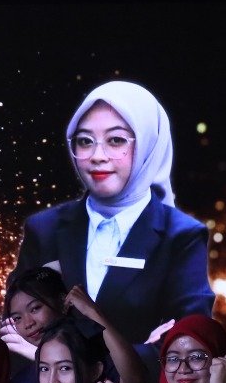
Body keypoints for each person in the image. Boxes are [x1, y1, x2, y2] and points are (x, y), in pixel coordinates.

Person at [12, 80, 213, 350]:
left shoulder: (181, 236)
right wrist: (141, 349)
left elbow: (191, 342)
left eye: (116, 140)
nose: (97, 156)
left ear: (149, 144)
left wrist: (62, 357)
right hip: (53, 379)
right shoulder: (43, 229)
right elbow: (15, 331)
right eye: (85, 141)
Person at [1, 267, 145, 383]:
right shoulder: (21, 380)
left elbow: (135, 382)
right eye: (17, 318)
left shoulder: (98, 355)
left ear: (63, 302)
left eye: (35, 308)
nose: (28, 323)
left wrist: (92, 312)